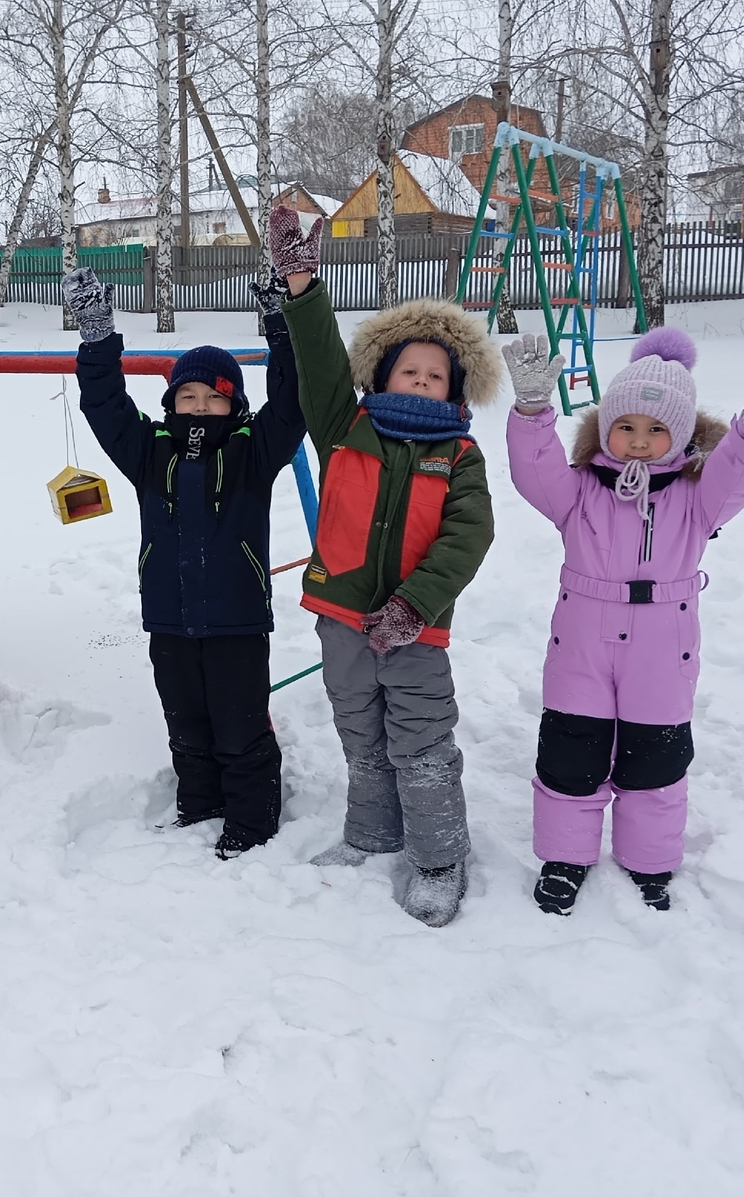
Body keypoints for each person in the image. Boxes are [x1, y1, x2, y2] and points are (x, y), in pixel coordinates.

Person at [504, 329, 744, 912]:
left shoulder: (699, 496)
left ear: (679, 436)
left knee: (655, 755)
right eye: (626, 426)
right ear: (605, 429)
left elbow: (738, 471)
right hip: (581, 643)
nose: (640, 442)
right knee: (572, 750)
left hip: (662, 647)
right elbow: (534, 470)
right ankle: (565, 856)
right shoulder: (578, 491)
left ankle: (649, 860)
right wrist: (530, 412)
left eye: (657, 430)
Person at [272, 205, 498, 927]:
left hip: (415, 633)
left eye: (436, 374)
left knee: (421, 744)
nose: (421, 379)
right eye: (409, 369)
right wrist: (303, 284)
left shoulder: (459, 456)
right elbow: (319, 363)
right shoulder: (345, 427)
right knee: (360, 735)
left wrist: (414, 606)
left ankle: (438, 858)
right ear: (384, 375)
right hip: (341, 620)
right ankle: (373, 832)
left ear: (454, 390)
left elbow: (469, 537)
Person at [62, 263, 307, 859]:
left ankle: (252, 820)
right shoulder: (151, 453)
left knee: (240, 723)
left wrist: (283, 327)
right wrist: (97, 337)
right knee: (186, 722)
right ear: (172, 401)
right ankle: (199, 805)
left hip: (237, 621)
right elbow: (105, 406)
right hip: (168, 617)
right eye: (187, 396)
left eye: (213, 399)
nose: (198, 407)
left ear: (234, 406)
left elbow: (293, 400)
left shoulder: (254, 453)